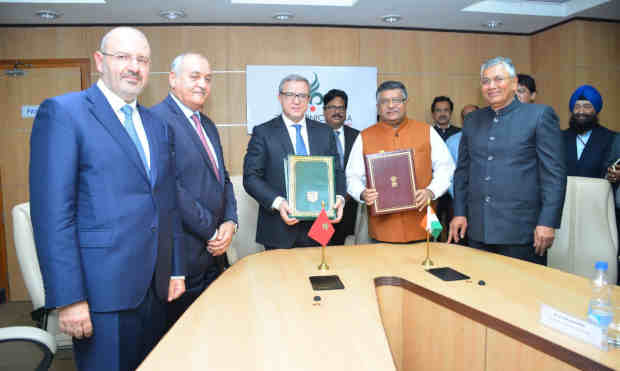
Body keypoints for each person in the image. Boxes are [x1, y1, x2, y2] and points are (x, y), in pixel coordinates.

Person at [29, 27, 185, 371]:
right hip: (101, 293)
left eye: (142, 59)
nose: (134, 66)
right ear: (100, 61)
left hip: (157, 290)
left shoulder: (156, 125)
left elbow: (166, 203)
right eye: (123, 57)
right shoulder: (64, 114)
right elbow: (53, 216)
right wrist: (69, 298)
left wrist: (175, 269)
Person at [449, 57, 566, 265]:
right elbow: (463, 172)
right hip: (478, 229)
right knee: (478, 293)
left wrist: (548, 222)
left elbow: (554, 175)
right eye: (485, 81)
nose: (491, 86)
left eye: (498, 79)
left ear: (514, 83)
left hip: (522, 232)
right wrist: (459, 213)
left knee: (522, 294)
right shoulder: (472, 120)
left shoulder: (539, 115)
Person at [151, 53, 238, 328]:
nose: (202, 84)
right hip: (181, 256)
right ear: (172, 79)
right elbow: (169, 189)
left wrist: (230, 222)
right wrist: (211, 231)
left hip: (214, 255)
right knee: (181, 337)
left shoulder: (208, 125)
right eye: (194, 76)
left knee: (211, 331)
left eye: (208, 78)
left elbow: (222, 178)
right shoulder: (156, 121)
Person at [243, 74, 345, 250]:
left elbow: (337, 172)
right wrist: (278, 203)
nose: (296, 101)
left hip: (320, 226)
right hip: (279, 229)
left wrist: (339, 198)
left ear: (309, 100)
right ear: (280, 97)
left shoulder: (324, 132)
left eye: (302, 96)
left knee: (319, 275)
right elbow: (251, 178)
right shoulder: (263, 132)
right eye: (290, 95)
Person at [346, 81, 455, 243]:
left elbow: (446, 168)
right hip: (383, 228)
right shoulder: (365, 137)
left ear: (405, 103)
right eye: (384, 101)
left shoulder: (426, 131)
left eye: (396, 100)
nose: (391, 105)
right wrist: (362, 193)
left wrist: (431, 191)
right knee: (383, 268)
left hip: (424, 222)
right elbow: (352, 176)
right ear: (378, 106)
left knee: (426, 267)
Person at [322, 89, 360, 245]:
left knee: (343, 250)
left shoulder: (357, 136)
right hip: (322, 205)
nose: (337, 111)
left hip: (349, 204)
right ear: (324, 111)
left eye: (341, 108)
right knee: (320, 246)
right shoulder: (314, 134)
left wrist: (349, 192)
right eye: (332, 107)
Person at [562, 85, 615, 178]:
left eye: (587, 106)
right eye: (577, 106)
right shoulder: (560, 137)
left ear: (596, 110)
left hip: (597, 191)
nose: (581, 111)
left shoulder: (611, 138)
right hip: (566, 191)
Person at [446, 104, 479, 198]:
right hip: (462, 197)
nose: (470, 119)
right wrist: (458, 197)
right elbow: (449, 174)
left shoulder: (491, 138)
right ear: (462, 120)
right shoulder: (451, 141)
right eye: (466, 117)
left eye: (473, 116)